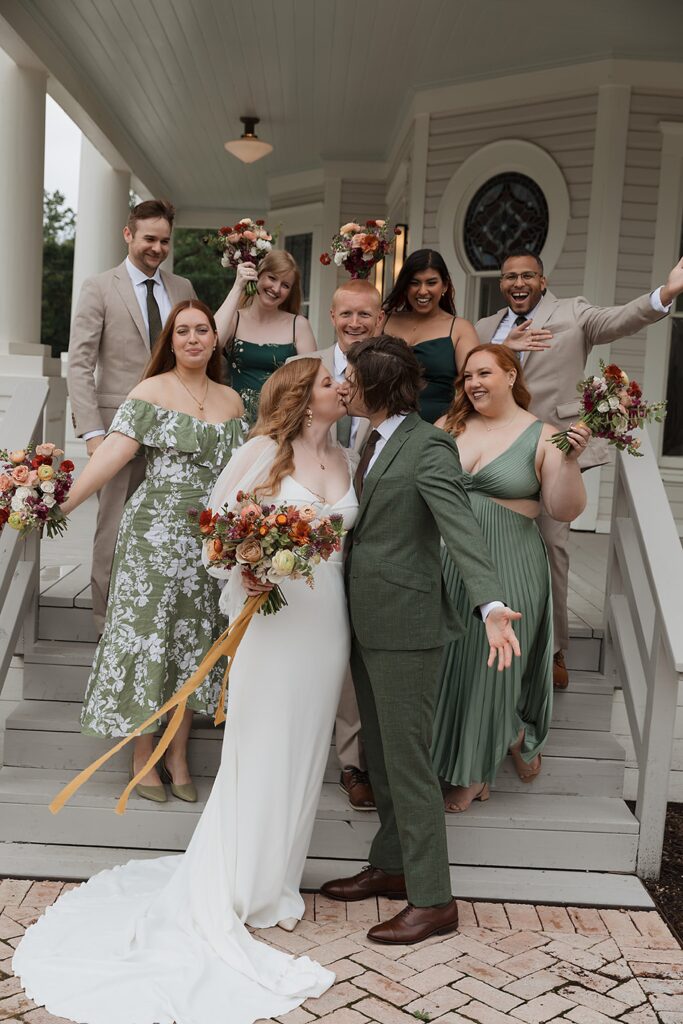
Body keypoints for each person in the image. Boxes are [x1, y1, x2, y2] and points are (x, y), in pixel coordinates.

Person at [13, 357, 356, 1024]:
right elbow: (215, 534)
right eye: (325, 383)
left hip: (328, 620)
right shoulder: (261, 450)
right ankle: (233, 881)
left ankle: (276, 882)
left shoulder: (346, 456)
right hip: (271, 622)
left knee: (306, 746)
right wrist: (249, 570)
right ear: (300, 398)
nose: (339, 388)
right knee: (259, 742)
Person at [321, 335, 522, 945]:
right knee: (379, 755)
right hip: (365, 620)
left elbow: (459, 530)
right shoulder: (367, 439)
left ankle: (433, 899)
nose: (344, 385)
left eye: (351, 376)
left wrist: (489, 603)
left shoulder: (429, 444)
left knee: (408, 764)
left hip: (408, 627)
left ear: (378, 385)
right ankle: (391, 864)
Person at [62, 300, 244, 804]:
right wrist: (60, 506)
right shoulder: (150, 391)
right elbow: (112, 459)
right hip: (154, 538)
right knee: (151, 643)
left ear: (214, 338)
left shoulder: (233, 401)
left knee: (194, 647)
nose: (192, 338)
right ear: (172, 339)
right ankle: (143, 756)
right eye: (182, 330)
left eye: (201, 330)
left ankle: (178, 754)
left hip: (208, 544)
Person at [476, 249, 683, 689]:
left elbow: (620, 319)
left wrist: (666, 294)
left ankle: (553, 649)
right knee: (488, 544)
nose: (518, 283)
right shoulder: (485, 328)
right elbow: (472, 374)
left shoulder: (574, 313)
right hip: (495, 451)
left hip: (552, 447)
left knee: (553, 546)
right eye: (509, 276)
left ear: (543, 280)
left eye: (527, 275)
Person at [432, 345, 589, 812]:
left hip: (511, 559)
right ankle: (500, 736)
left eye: (484, 373)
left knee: (491, 663)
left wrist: (572, 461)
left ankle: (476, 773)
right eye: (467, 376)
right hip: (451, 560)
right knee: (451, 658)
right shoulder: (449, 427)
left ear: (510, 374)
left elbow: (564, 509)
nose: (473, 383)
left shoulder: (544, 435)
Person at [68, 199, 197, 634]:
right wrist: (92, 434)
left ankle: (157, 615)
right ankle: (105, 622)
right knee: (112, 526)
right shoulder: (99, 286)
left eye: (164, 240)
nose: (157, 248)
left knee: (165, 522)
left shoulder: (183, 287)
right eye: (149, 239)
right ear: (129, 235)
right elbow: (80, 363)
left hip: (173, 427)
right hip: (117, 429)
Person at [324, 279, 383, 810]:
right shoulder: (310, 367)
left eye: (365, 314)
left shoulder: (394, 367)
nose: (355, 322)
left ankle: (361, 758)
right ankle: (346, 758)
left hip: (373, 520)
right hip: (315, 517)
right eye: (347, 314)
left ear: (380, 317)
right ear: (332, 315)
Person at [214, 251, 317, 425]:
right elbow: (211, 344)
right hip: (235, 419)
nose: (276, 289)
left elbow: (311, 381)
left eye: (285, 285)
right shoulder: (234, 319)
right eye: (271, 278)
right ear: (258, 275)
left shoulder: (298, 325)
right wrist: (238, 286)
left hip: (279, 423)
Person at [382, 248, 479, 423]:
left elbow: (473, 383)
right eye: (414, 282)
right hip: (383, 425)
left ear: (445, 286)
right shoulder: (384, 320)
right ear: (405, 286)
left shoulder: (460, 329)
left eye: (431, 282)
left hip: (436, 429)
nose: (422, 291)